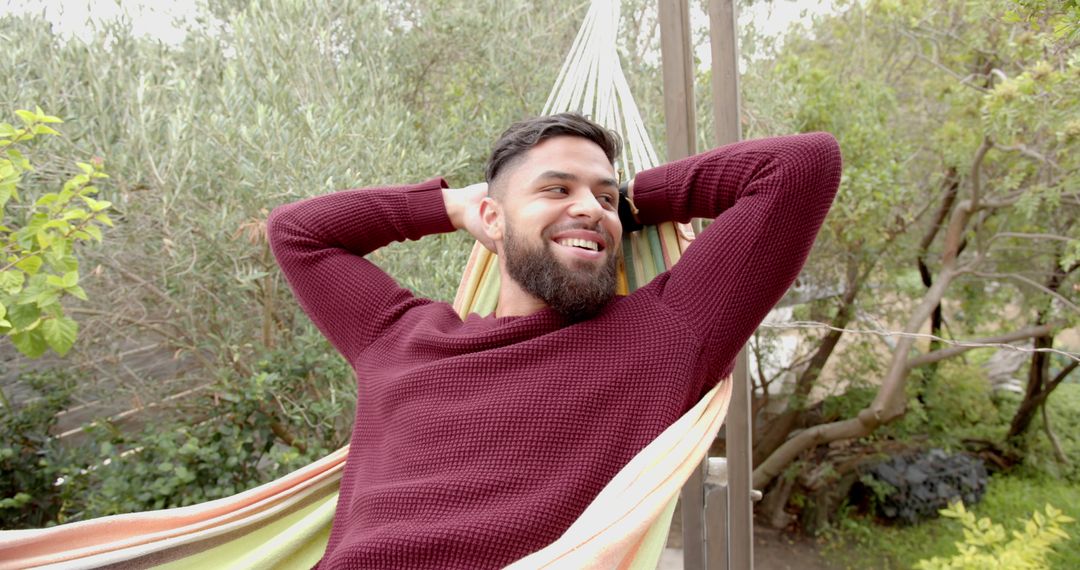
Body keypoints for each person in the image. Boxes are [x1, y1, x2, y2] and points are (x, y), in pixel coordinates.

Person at [267, 112, 841, 569]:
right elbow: (297, 232)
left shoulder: (663, 334)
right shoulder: (401, 337)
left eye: (605, 198)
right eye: (556, 188)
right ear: (493, 219)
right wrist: (454, 206)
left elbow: (800, 166)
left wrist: (634, 199)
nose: (590, 208)